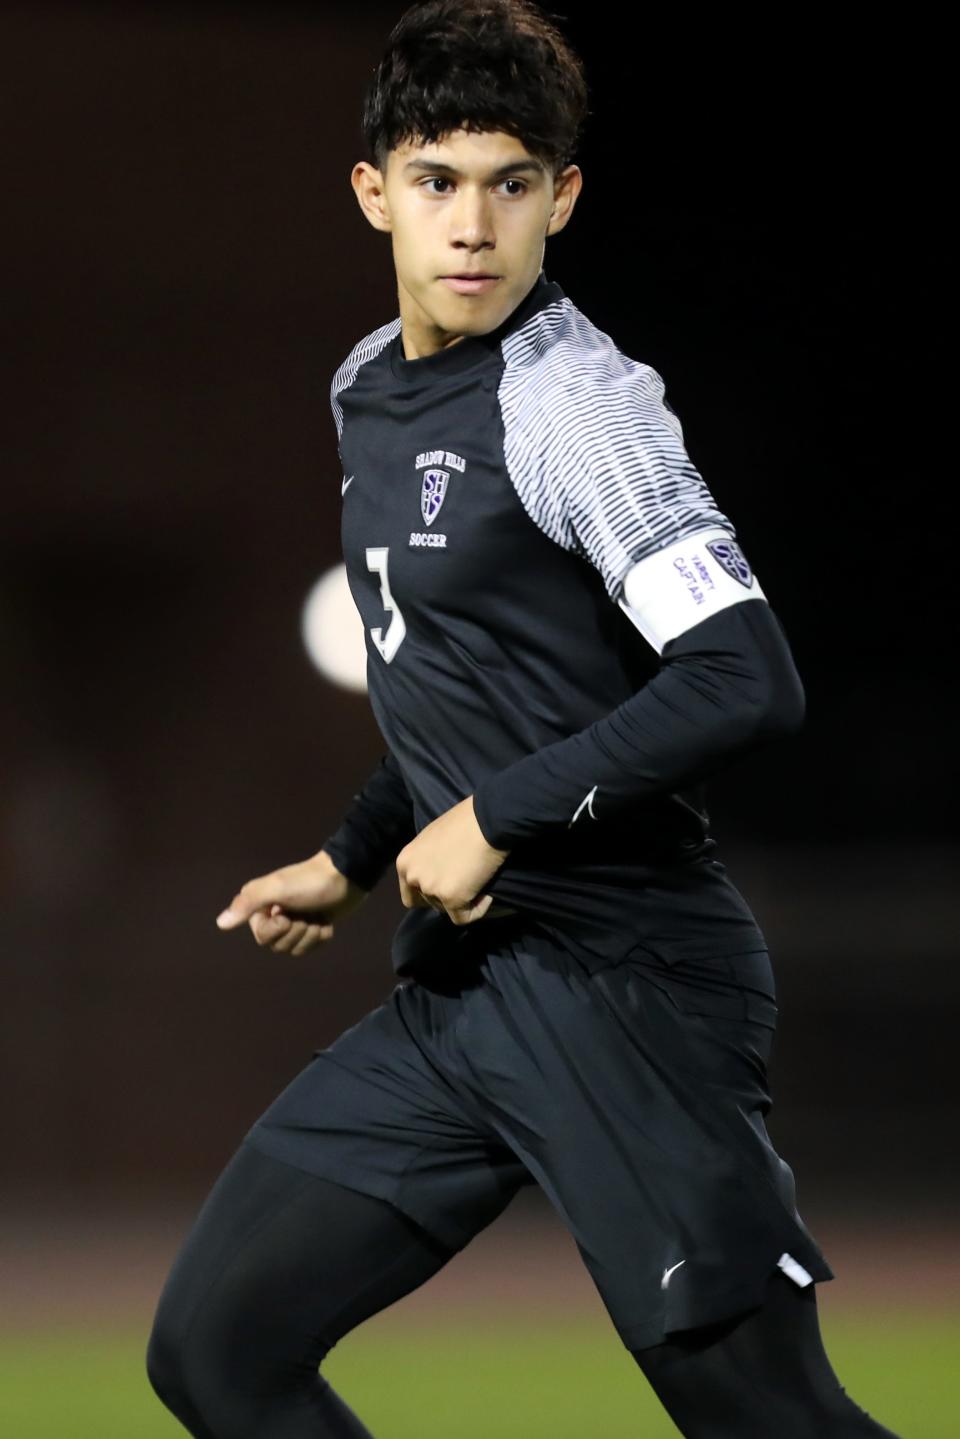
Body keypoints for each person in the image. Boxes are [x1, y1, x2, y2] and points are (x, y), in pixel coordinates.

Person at [146, 3, 902, 1435]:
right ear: (376, 192)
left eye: (511, 182)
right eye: (438, 181)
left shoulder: (579, 410)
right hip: (464, 997)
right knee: (218, 1352)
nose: (473, 223)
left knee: (769, 1417)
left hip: (629, 981)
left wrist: (492, 819)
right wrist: (352, 854)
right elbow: (466, 683)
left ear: (562, 196)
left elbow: (746, 676)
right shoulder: (366, 386)